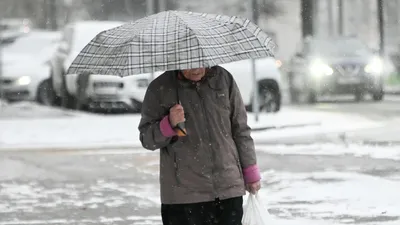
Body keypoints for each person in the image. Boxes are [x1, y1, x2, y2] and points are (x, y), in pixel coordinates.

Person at [138, 66, 261, 225]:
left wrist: (250, 171)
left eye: (200, 62)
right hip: (184, 196)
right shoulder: (160, 88)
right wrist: (168, 123)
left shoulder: (224, 79)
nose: (195, 69)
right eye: (188, 65)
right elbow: (147, 138)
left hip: (227, 189)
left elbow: (240, 129)